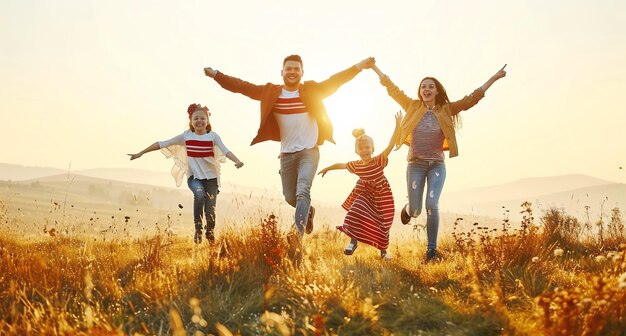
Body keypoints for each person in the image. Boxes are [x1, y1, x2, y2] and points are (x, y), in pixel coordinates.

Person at [203, 55, 375, 240]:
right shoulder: (271, 92)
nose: (292, 72)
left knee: (303, 191)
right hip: (286, 154)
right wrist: (216, 75)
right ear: (282, 72)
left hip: (309, 152)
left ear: (302, 73)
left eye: (296, 69)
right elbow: (243, 87)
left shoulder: (311, 90)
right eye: (289, 69)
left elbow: (336, 81)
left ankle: (296, 235)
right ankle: (308, 211)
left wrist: (359, 66)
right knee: (290, 197)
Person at [371, 63, 507, 262]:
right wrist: (375, 69)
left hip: (437, 165)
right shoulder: (411, 105)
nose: (426, 89)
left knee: (432, 205)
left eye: (430, 86)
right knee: (417, 211)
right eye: (423, 86)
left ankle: (432, 251)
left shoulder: (447, 109)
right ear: (420, 91)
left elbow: (472, 98)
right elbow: (391, 88)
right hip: (415, 164)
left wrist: (494, 78)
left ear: (436, 91)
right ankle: (409, 209)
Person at [128, 103, 244, 244]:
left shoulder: (213, 136)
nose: (199, 121)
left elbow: (226, 150)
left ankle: (210, 233)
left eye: (202, 118)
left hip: (212, 180)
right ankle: (198, 228)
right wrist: (140, 153)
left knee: (210, 211)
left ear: (207, 122)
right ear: (191, 121)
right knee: (199, 194)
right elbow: (162, 143)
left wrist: (237, 161)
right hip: (194, 178)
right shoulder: (186, 136)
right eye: (196, 118)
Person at [318, 112, 403, 259]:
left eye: (367, 147)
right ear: (356, 151)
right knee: (355, 209)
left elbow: (390, 145)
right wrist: (328, 168)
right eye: (361, 148)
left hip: (381, 196)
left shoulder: (378, 161)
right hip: (364, 194)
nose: (364, 150)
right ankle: (353, 242)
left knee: (383, 223)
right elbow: (342, 165)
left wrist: (397, 126)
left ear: (373, 149)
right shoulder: (356, 165)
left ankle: (383, 252)